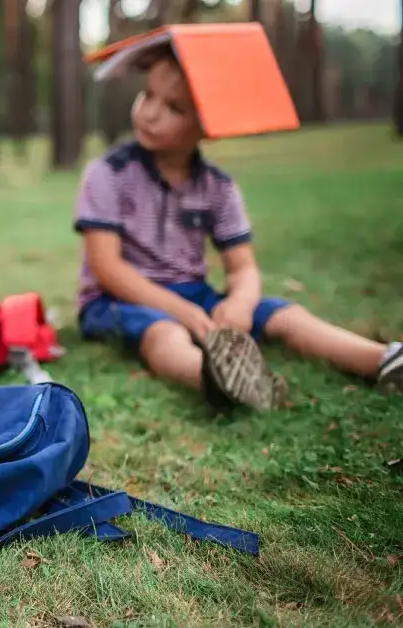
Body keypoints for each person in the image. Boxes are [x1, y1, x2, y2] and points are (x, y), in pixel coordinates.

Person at [74, 46, 402, 410]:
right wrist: (180, 313)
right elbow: (107, 268)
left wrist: (241, 304)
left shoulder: (219, 187)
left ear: (209, 126)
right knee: (164, 332)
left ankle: (381, 360)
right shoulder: (108, 173)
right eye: (147, 95)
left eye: (174, 108)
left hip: (196, 295)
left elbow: (242, 267)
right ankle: (216, 380)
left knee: (284, 315)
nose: (150, 114)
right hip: (115, 301)